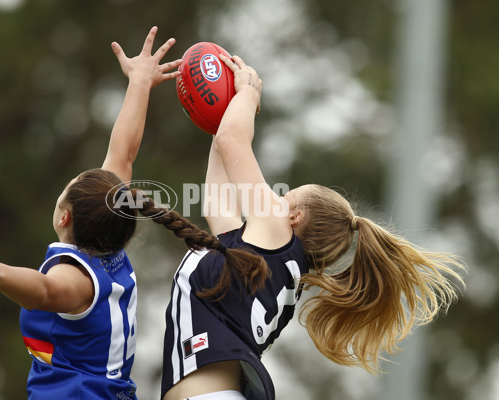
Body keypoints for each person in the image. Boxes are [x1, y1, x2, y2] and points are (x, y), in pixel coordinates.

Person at [159, 54, 466, 400]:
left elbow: (233, 142)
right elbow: (218, 190)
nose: (277, 197)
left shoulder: (276, 231)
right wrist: (226, 106)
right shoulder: (264, 259)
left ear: (295, 218)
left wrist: (248, 95)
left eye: (287, 196)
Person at [0, 26, 184, 399]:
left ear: (64, 217)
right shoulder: (109, 249)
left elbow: (42, 290)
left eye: (67, 188)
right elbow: (123, 153)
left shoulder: (76, 278)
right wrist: (140, 82)